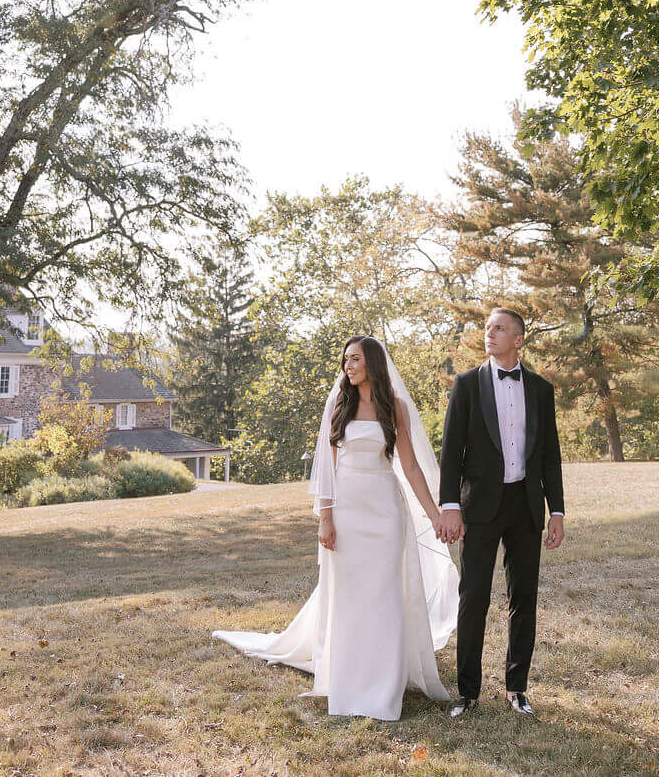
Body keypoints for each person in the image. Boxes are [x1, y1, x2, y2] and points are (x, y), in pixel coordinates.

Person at [212, 336, 458, 720]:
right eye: (345, 359)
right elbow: (326, 468)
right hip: (346, 511)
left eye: (355, 359)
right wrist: (325, 518)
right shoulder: (338, 404)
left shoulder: (395, 407)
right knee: (350, 596)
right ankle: (347, 681)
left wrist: (434, 512)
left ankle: (384, 686)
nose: (348, 366)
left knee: (385, 594)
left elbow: (409, 467)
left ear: (373, 363)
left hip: (386, 511)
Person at [434, 306, 565, 717]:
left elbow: (550, 457)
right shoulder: (468, 384)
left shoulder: (542, 390)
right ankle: (467, 693)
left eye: (500, 329)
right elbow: (451, 451)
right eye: (488, 328)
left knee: (523, 598)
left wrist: (556, 511)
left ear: (518, 340)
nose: (490, 334)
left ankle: (517, 688)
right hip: (480, 508)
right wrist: (450, 506)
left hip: (525, 506)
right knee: (473, 597)